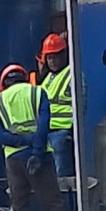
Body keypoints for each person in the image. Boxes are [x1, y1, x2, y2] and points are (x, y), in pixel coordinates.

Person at [0, 64, 66, 211]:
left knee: (19, 204)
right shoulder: (37, 92)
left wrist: (21, 140)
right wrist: (37, 152)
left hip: (14, 159)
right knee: (52, 202)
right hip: (40, 156)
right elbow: (44, 126)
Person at [37, 34, 75, 177]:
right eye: (49, 57)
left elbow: (80, 105)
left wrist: (73, 130)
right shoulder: (48, 78)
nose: (51, 61)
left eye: (55, 56)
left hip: (62, 132)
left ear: (64, 55)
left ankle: (65, 199)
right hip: (47, 132)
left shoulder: (72, 74)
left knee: (62, 175)